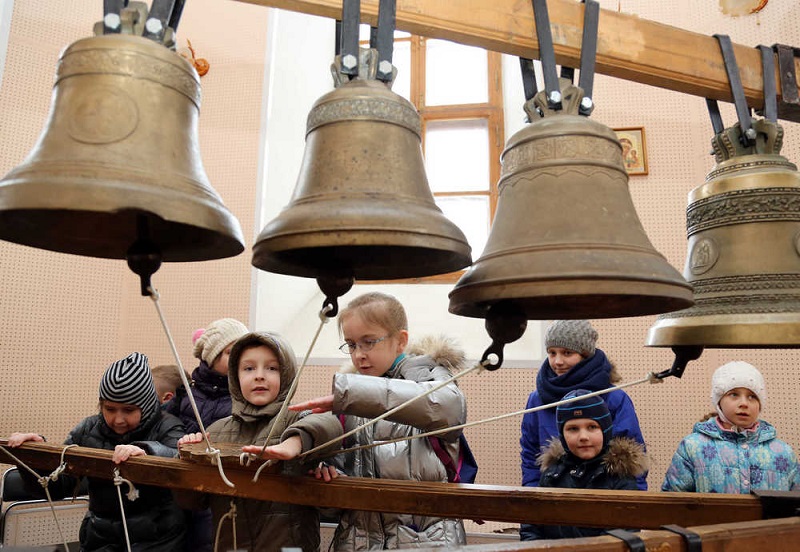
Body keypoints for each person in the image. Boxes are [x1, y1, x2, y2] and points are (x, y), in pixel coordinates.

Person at [289, 291, 469, 550]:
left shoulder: (430, 377)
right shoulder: (350, 399)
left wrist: (354, 395)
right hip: (357, 542)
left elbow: (449, 408)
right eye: (351, 345)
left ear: (400, 340)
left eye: (369, 342)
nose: (359, 354)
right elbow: (339, 491)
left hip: (426, 541)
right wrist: (329, 477)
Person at [176, 331, 343, 552]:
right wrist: (187, 458)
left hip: (290, 547)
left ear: (287, 374)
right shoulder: (216, 430)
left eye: (272, 368)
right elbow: (193, 501)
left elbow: (330, 425)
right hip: (231, 546)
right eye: (249, 368)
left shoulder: (298, 418)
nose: (259, 376)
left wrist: (293, 443)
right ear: (235, 377)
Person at [8, 352, 186, 551]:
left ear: (145, 406)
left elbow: (177, 460)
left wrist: (145, 451)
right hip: (99, 538)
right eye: (109, 409)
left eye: (128, 410)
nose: (118, 419)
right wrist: (33, 457)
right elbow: (57, 488)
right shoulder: (87, 429)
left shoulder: (168, 425)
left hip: (157, 539)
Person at [520, 320, 648, 490]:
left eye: (567, 353)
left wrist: (632, 500)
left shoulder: (615, 398)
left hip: (607, 496)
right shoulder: (537, 400)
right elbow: (530, 452)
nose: (557, 361)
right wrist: (533, 493)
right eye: (552, 353)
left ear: (585, 354)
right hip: (552, 494)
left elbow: (632, 453)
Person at [520, 389, 648, 541]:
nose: (583, 437)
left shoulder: (621, 479)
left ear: (605, 430)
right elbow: (531, 528)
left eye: (592, 427)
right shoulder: (551, 475)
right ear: (562, 434)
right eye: (573, 429)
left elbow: (620, 537)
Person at [662, 361, 800, 493]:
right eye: (734, 394)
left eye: (752, 396)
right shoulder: (692, 446)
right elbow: (673, 503)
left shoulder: (783, 452)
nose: (744, 403)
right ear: (719, 402)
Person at [164, 318, 249, 433]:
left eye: (244, 353)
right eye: (231, 352)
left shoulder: (246, 396)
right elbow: (165, 427)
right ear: (212, 357)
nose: (239, 358)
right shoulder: (185, 393)